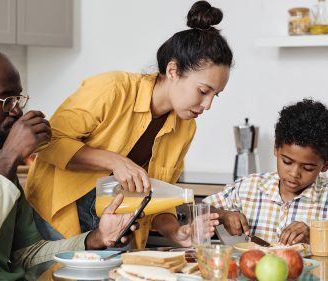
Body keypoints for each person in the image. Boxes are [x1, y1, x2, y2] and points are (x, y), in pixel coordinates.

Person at [0, 46, 138, 280]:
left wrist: (96, 238)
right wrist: (10, 155)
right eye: (5, 100)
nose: (17, 111)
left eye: (18, 98)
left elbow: (27, 255)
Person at [25, 0, 231, 249]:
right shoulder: (113, 89)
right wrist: (114, 161)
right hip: (56, 214)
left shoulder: (186, 127)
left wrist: (176, 232)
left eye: (215, 95)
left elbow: (157, 196)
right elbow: (46, 142)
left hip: (117, 227)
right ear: (174, 70)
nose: (207, 105)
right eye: (203, 91)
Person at [204, 99, 328, 253]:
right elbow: (197, 211)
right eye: (287, 162)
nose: (294, 173)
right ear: (276, 149)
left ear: (326, 164)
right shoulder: (248, 187)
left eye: (307, 168)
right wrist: (223, 215)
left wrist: (317, 237)